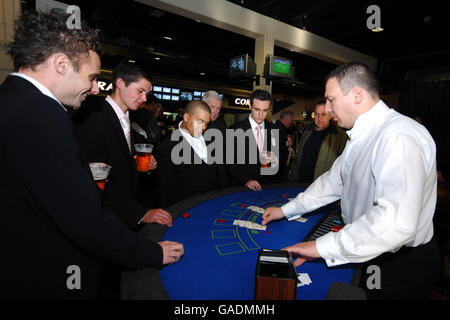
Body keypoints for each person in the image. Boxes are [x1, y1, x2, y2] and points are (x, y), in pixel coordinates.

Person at [0, 11, 183, 299]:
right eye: (93, 77)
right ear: (61, 65)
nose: (96, 87)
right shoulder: (37, 115)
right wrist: (149, 252)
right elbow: (83, 218)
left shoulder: (13, 101)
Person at [262, 62, 441, 299]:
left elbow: (396, 223)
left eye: (331, 100)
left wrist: (321, 247)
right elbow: (333, 182)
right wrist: (285, 210)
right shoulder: (361, 137)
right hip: (370, 250)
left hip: (399, 264)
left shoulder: (398, 136)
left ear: (357, 96)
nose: (326, 109)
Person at [73, 59, 173, 230]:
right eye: (140, 91)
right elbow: (94, 179)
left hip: (126, 212)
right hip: (104, 218)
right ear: (120, 83)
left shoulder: (130, 118)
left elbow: (117, 162)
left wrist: (139, 162)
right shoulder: (92, 117)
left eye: (146, 93)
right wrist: (139, 213)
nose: (144, 98)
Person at [153, 100, 220, 208]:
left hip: (211, 205)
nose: (203, 127)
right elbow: (165, 191)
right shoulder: (166, 147)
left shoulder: (211, 138)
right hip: (185, 210)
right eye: (199, 121)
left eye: (206, 123)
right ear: (186, 117)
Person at [228, 89, 279, 191]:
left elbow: (273, 162)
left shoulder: (273, 130)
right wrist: (246, 181)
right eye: (257, 109)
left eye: (265, 110)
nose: (261, 114)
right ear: (250, 106)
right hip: (241, 187)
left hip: (265, 187)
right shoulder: (234, 130)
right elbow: (230, 164)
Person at [288, 99, 348, 183]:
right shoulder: (307, 131)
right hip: (299, 183)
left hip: (322, 187)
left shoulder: (339, 136)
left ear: (330, 115)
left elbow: (345, 166)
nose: (319, 118)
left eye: (323, 114)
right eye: (316, 114)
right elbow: (298, 157)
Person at [271, 110, 294, 181]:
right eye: (291, 120)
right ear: (288, 119)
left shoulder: (274, 127)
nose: (292, 122)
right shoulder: (280, 130)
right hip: (276, 170)